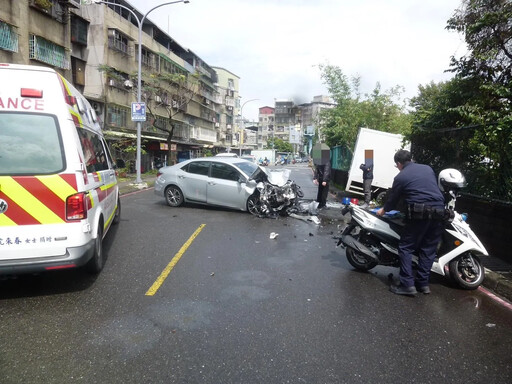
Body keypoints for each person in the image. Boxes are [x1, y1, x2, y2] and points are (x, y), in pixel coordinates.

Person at [376, 149, 445, 297]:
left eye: (397, 165)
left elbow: (393, 199)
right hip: (440, 212)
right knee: (428, 250)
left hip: (420, 213)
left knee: (406, 247)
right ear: (411, 159)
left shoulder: (401, 176)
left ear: (399, 164)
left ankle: (407, 285)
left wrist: (383, 210)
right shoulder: (428, 168)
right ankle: (423, 284)